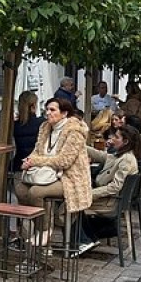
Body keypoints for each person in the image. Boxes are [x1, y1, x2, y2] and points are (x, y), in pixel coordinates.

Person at [15, 98, 92, 245]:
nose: (48, 113)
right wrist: (28, 161)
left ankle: (43, 233)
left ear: (64, 113)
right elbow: (37, 151)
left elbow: (64, 161)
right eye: (46, 109)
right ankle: (30, 231)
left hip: (69, 178)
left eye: (52, 110)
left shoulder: (75, 131)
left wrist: (36, 161)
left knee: (36, 192)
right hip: (46, 174)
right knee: (20, 189)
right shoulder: (45, 127)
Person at [76, 125, 141, 255]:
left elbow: (115, 187)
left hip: (110, 202)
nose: (112, 139)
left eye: (116, 137)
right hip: (109, 198)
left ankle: (83, 240)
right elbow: (102, 156)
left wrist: (90, 194)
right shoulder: (120, 155)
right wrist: (80, 145)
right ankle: (86, 238)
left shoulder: (127, 159)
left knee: (72, 203)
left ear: (125, 141)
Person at [0, 90, 46, 173]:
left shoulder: (14, 125)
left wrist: (1, 117)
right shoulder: (42, 122)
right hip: (37, 164)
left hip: (18, 164)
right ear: (34, 106)